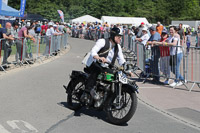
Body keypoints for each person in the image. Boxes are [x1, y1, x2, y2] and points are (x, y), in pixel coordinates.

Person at [85, 27, 131, 101]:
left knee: (114, 75)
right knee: (97, 70)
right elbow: (93, 51)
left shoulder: (118, 47)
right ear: (112, 36)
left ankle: (106, 95)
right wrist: (98, 57)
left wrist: (127, 68)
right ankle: (88, 90)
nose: (120, 39)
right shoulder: (102, 41)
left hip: (106, 66)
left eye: (121, 37)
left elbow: (121, 59)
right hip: (94, 63)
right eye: (118, 37)